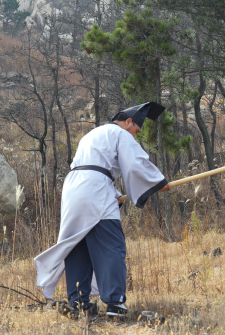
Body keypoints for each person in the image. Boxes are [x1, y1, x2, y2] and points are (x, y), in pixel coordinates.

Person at [34, 102, 172, 319]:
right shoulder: (120, 133)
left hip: (73, 188)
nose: (135, 137)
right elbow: (136, 163)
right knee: (111, 245)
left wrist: (114, 194)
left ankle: (79, 304)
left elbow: (96, 167)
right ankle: (115, 303)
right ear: (128, 122)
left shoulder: (92, 134)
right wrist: (159, 182)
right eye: (136, 131)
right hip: (94, 188)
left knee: (77, 245)